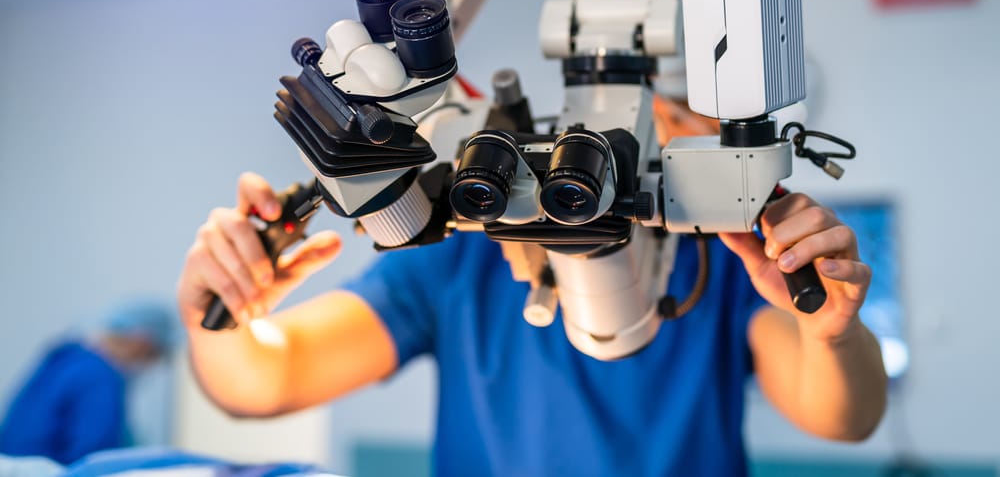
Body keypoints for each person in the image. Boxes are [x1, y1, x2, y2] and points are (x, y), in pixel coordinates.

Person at [176, 94, 888, 476]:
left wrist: (833, 330)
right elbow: (264, 379)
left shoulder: (729, 265)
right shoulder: (462, 256)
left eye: (678, 130)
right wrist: (226, 309)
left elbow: (842, 416)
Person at [0, 300, 175, 465]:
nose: (148, 367)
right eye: (153, 356)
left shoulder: (65, 359)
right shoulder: (100, 377)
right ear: (141, 343)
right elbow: (94, 455)